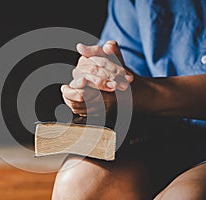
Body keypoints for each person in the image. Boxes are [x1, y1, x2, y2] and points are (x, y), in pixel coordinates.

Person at [52, 0, 206, 199]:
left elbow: (136, 91)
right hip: (166, 138)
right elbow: (124, 70)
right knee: (78, 181)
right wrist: (98, 83)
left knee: (186, 195)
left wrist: (144, 94)